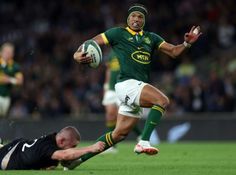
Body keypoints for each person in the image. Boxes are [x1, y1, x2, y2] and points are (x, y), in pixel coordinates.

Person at [69, 3, 201, 169]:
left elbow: (174, 51)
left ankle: (77, 160)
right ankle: (144, 141)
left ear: (144, 21)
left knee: (118, 135)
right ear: (128, 18)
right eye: (133, 16)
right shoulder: (117, 33)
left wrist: (187, 44)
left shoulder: (152, 38)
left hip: (136, 86)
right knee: (162, 100)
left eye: (140, 17)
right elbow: (92, 42)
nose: (136, 19)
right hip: (126, 84)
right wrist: (76, 54)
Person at [0, 126, 105, 170]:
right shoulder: (47, 146)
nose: (72, 149)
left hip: (17, 146)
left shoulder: (53, 140)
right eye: (72, 146)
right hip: (5, 156)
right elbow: (65, 154)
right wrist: (90, 148)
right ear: (62, 141)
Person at [102, 50, 142, 153]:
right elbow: (109, 70)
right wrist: (106, 86)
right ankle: (111, 146)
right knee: (110, 115)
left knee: (124, 116)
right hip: (111, 89)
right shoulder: (111, 54)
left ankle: (140, 135)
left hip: (123, 87)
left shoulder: (128, 51)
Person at [0, 42, 23, 117]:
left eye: (9, 52)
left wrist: (9, 79)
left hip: (6, 97)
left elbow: (20, 81)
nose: (7, 54)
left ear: (13, 54)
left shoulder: (15, 66)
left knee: (2, 117)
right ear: (1, 52)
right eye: (5, 52)